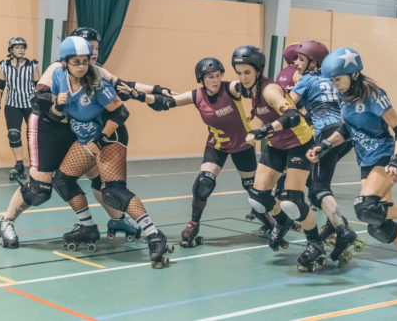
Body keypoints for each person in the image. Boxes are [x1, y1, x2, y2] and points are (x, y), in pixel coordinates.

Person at [0, 28, 165, 249]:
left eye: (94, 49)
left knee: (101, 180)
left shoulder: (94, 72)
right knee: (40, 188)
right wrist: (59, 105)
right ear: (69, 58)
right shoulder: (57, 69)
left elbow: (125, 87)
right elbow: (40, 101)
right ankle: (6, 221)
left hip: (75, 127)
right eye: (88, 49)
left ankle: (114, 220)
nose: (92, 54)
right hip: (48, 127)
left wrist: (160, 91)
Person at [308, 47, 397, 294]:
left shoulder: (373, 96)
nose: (335, 85)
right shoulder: (345, 97)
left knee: (365, 207)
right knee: (378, 224)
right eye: (331, 81)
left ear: (353, 74)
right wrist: (323, 145)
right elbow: (346, 129)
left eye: (337, 79)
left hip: (385, 157)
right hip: (367, 161)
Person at [49, 36, 172, 267]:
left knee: (113, 192)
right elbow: (55, 113)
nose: (82, 66)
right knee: (62, 180)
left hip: (110, 136)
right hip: (86, 138)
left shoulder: (98, 85)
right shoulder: (58, 77)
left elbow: (121, 114)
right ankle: (87, 227)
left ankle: (155, 234)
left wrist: (101, 138)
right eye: (76, 62)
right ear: (65, 62)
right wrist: (57, 105)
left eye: (85, 61)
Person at [134, 57, 273, 247]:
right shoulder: (197, 95)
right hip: (216, 144)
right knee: (204, 183)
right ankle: (194, 223)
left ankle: (268, 220)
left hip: (242, 144)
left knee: (253, 190)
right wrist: (140, 96)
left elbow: (247, 88)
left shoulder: (230, 88)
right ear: (201, 79)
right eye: (210, 77)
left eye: (218, 76)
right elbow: (166, 103)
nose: (215, 80)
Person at [231, 45, 326, 272]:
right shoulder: (248, 89)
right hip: (276, 145)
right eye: (239, 72)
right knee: (258, 199)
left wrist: (264, 130)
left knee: (292, 200)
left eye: (247, 72)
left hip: (299, 143)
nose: (243, 78)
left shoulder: (268, 90)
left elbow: (292, 116)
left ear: (258, 71)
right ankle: (283, 221)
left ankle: (315, 242)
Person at [289, 40, 359, 265]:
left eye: (301, 59)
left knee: (318, 189)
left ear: (313, 62)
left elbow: (287, 107)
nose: (296, 63)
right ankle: (334, 223)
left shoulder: (307, 79)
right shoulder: (332, 79)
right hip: (345, 133)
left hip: (326, 134)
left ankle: (341, 228)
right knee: (315, 182)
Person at [0, 37, 40, 180]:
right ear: (11, 50)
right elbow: (0, 86)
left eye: (22, 47)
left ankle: (36, 165)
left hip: (30, 104)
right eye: (17, 47)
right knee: (13, 134)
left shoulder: (32, 65)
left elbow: (38, 87)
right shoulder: (4, 66)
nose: (21, 50)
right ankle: (19, 164)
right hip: (12, 104)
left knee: (34, 136)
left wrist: (41, 105)